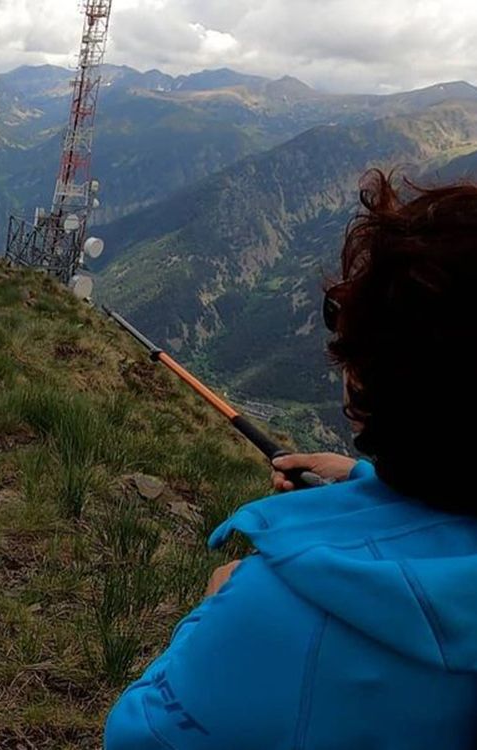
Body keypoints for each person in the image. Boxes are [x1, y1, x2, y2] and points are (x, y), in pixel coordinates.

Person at [104, 170, 477, 749]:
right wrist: (363, 478)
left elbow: (136, 736)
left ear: (368, 382)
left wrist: (214, 610)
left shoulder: (276, 612)